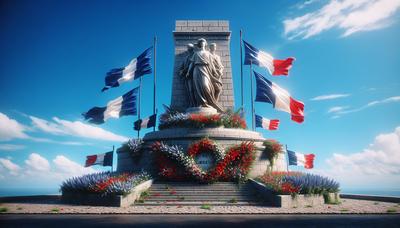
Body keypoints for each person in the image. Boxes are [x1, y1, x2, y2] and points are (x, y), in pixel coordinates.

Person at [187, 38, 223, 112]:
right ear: (199, 44)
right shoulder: (196, 53)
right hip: (196, 69)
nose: (202, 43)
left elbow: (212, 64)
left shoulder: (208, 53)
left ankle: (209, 103)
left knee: (205, 85)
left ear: (205, 43)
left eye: (203, 42)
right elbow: (191, 63)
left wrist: (215, 72)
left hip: (206, 69)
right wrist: (188, 71)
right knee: (197, 87)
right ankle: (200, 103)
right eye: (200, 42)